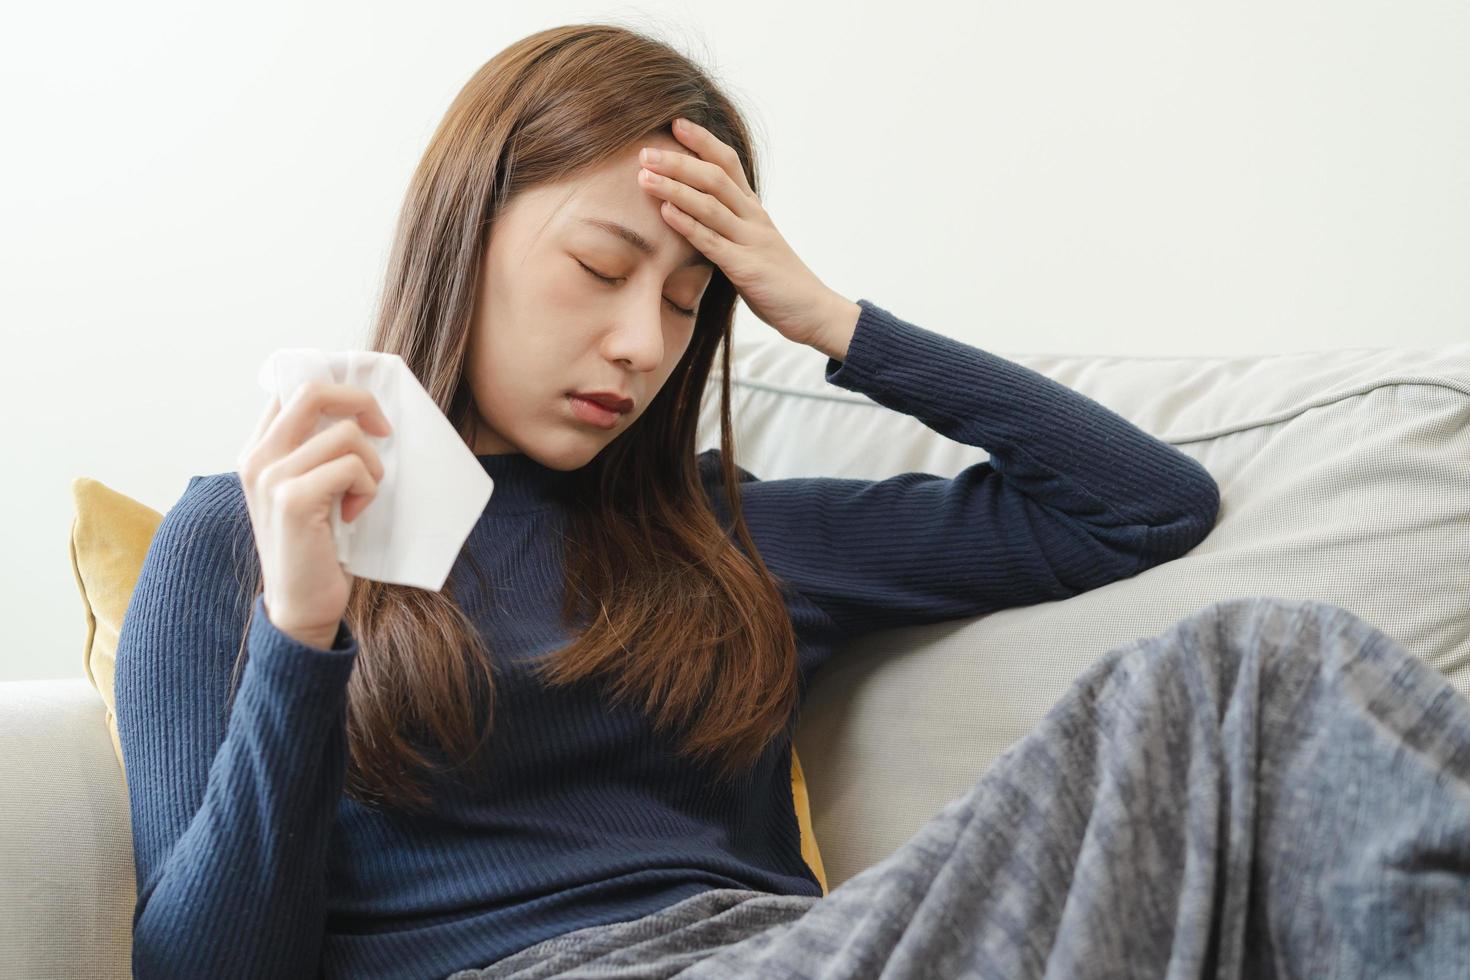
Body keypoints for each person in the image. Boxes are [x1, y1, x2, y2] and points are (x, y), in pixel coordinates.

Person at [114, 22, 1469, 980]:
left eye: (687, 303)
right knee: (1242, 674)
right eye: (601, 265)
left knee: (1258, 676)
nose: (644, 344)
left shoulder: (728, 536)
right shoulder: (243, 536)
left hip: (800, 954)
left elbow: (1138, 506)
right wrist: (303, 638)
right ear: (463, 231)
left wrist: (826, 316)